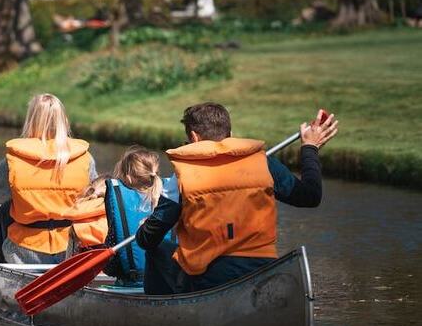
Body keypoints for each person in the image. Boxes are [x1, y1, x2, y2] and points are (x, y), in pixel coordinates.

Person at [136, 102, 339, 295]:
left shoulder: (179, 176)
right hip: (261, 271)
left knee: (158, 248)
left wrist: (144, 229)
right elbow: (310, 197)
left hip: (207, 278)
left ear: (194, 137)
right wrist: (310, 148)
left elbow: (148, 239)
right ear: (230, 135)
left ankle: (165, 311)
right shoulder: (264, 163)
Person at [0, 93, 97, 264]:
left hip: (24, 251)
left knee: (5, 209)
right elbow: (94, 203)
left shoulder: (13, 161)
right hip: (71, 248)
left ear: (31, 120)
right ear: (64, 121)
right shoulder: (85, 159)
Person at [104, 146, 174, 285]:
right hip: (167, 280)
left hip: (130, 281)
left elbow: (112, 249)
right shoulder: (171, 195)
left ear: (128, 177)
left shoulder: (117, 196)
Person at [65, 174, 112, 257]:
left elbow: (70, 257)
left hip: (85, 265)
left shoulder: (76, 220)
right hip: (110, 264)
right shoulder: (115, 214)